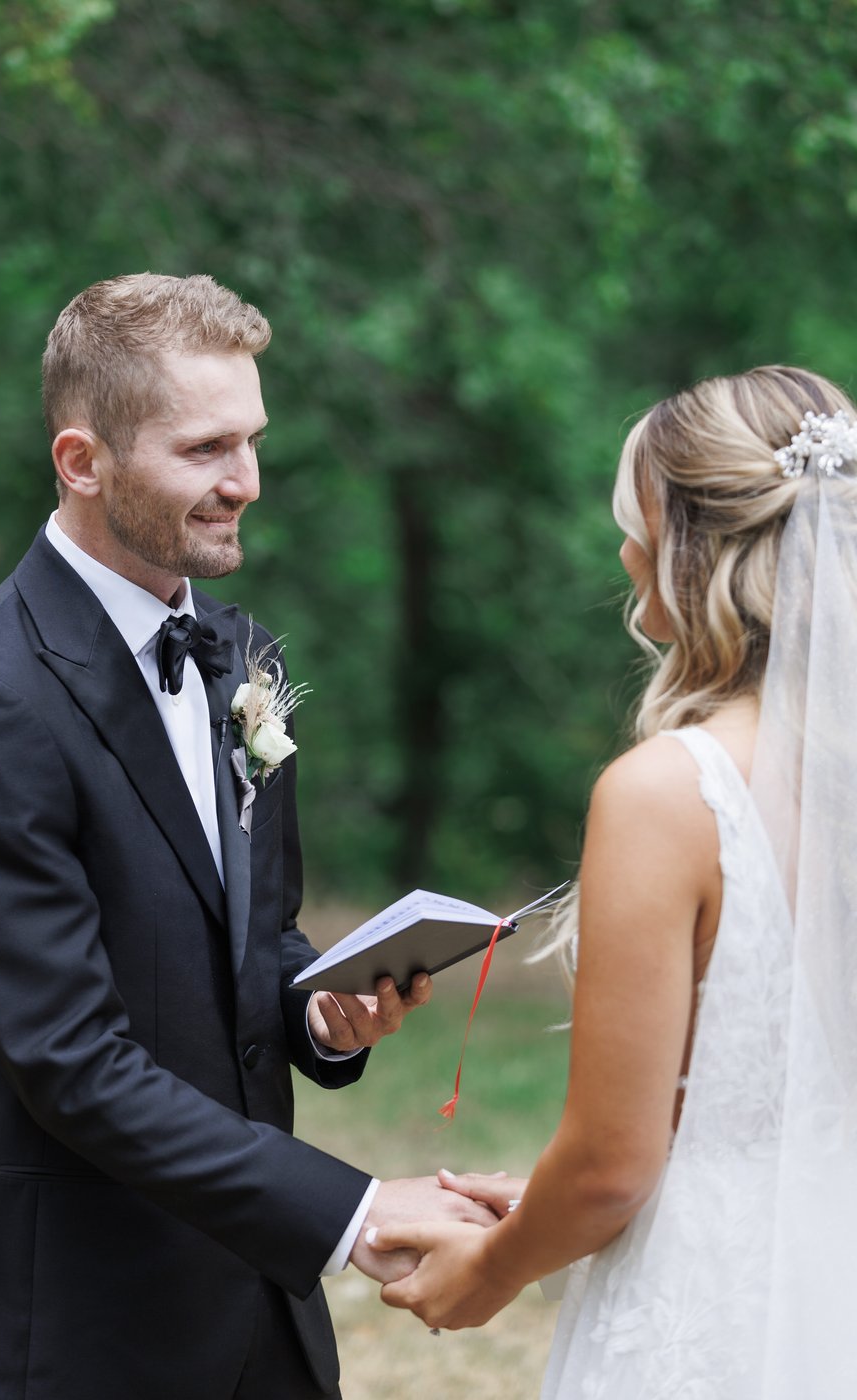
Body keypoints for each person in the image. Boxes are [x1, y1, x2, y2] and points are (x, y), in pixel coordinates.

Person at [0, 272, 492, 1400]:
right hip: (79, 1321)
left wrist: (319, 1005)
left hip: (260, 1312)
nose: (245, 483)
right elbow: (67, 1057)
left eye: (252, 441)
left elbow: (250, 934)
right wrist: (351, 1208)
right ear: (82, 461)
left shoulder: (239, 651)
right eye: (206, 448)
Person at [368, 366, 857, 1397]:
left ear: (689, 544)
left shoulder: (670, 793)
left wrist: (488, 1271)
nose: (622, 548)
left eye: (633, 517)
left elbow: (608, 1166)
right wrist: (548, 1198)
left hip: (722, 1314)